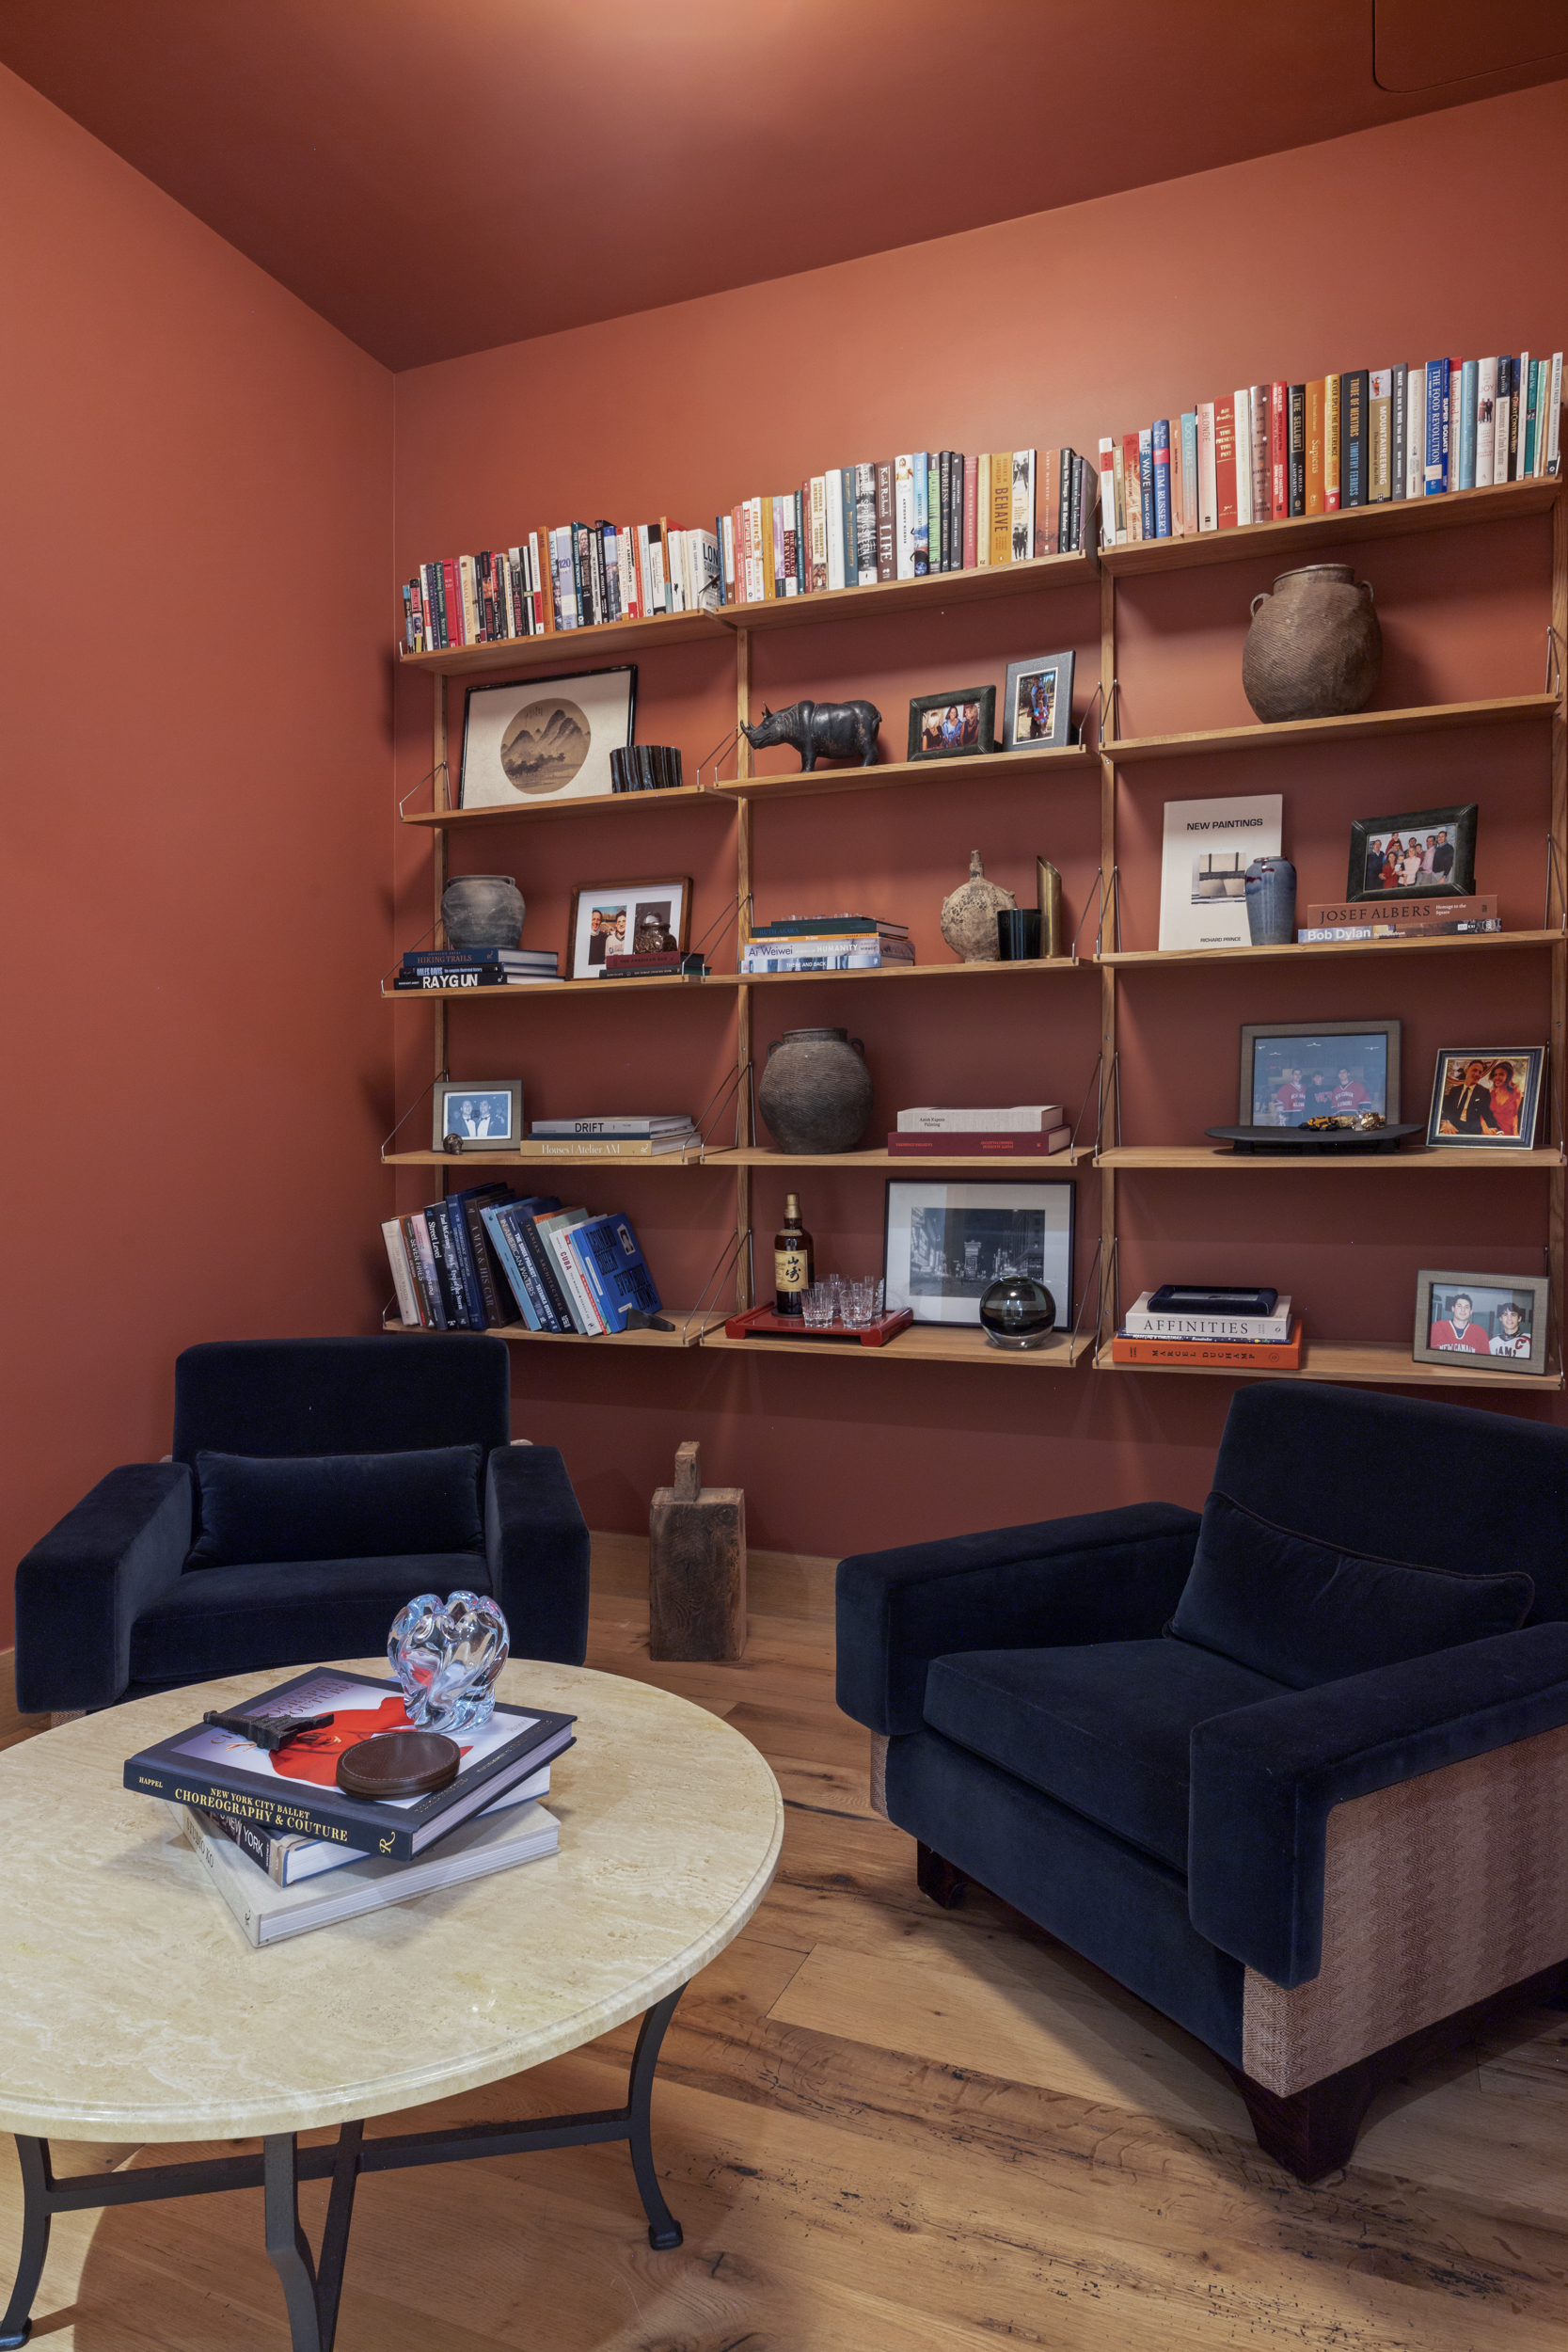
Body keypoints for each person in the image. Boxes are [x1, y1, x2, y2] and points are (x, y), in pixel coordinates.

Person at [1438, 1058, 1494, 1135]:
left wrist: (1498, 1131)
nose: (1477, 1074)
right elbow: (1447, 1110)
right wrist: (1447, 1122)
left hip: (1471, 1130)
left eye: (1480, 1072)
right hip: (1453, 1126)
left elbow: (1487, 1113)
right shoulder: (1454, 1090)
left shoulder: (1484, 1092)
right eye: (1474, 1070)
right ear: (1466, 1070)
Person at [1487, 1059, 1523, 1136]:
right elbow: (1485, 1115)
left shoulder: (1516, 1092)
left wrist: (1515, 1132)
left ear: (1508, 1076)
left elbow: (1515, 1115)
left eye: (1501, 1074)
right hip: (1493, 1131)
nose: (1497, 1078)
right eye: (1495, 1075)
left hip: (1508, 1132)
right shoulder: (1490, 1093)